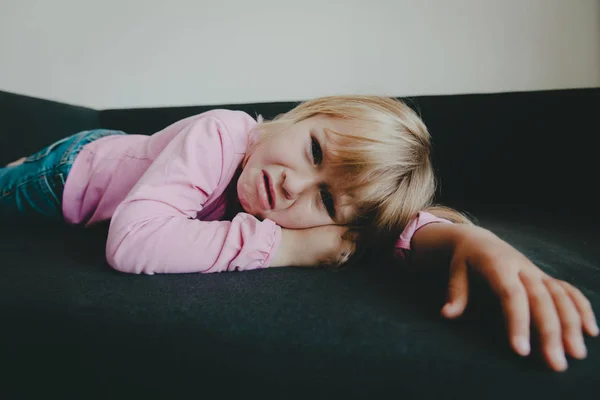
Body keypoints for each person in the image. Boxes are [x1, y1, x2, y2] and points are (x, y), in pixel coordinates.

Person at [0, 96, 596, 372]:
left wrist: (470, 241)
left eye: (327, 199)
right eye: (313, 149)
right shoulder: (225, 133)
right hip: (69, 171)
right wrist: (286, 246)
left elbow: (382, 228)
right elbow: (133, 243)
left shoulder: (310, 200)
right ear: (305, 115)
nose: (292, 188)